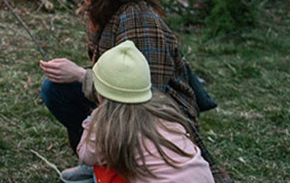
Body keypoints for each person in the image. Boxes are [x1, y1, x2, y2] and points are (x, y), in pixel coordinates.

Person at [38, 0, 228, 183]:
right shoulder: (111, 6)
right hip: (130, 105)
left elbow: (145, 95)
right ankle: (99, 162)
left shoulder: (139, 21)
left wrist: (82, 75)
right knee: (56, 88)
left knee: (60, 89)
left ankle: (114, 162)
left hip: (157, 119)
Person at [75, 41, 212, 183]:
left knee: (106, 167)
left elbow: (85, 155)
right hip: (203, 178)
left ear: (100, 92)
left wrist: (94, 118)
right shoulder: (165, 113)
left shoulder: (110, 126)